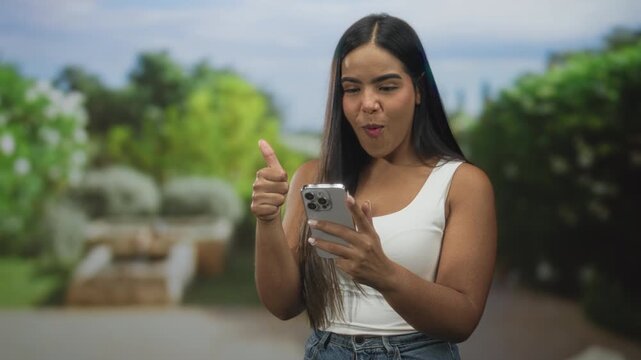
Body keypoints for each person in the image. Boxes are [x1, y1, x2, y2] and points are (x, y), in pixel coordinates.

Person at [251, 13, 496, 359]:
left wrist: (384, 274)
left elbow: (463, 319)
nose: (368, 103)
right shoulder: (315, 179)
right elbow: (283, 304)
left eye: (387, 86)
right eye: (352, 89)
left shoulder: (461, 183)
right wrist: (267, 220)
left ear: (419, 91)